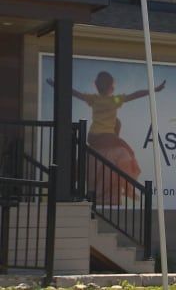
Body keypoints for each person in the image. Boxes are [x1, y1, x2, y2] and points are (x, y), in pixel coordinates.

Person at [47, 72, 165, 204]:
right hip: (107, 136)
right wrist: (154, 90)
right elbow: (134, 95)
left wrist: (56, 85)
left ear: (96, 86)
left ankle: (73, 184)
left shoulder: (94, 99)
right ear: (111, 88)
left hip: (92, 137)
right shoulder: (114, 100)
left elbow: (74, 93)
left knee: (114, 141)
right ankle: (129, 189)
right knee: (129, 152)